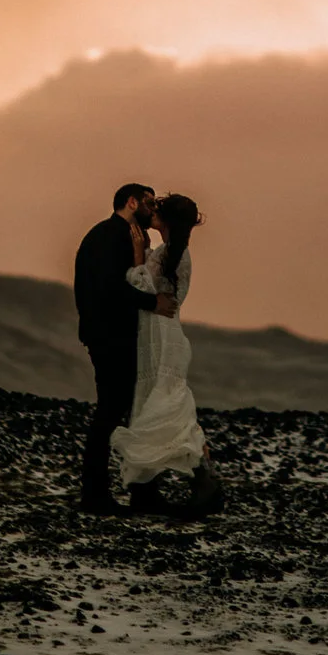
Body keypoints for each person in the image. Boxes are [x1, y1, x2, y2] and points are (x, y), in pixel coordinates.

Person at [111, 194, 224, 518]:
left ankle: (203, 482)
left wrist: (136, 256)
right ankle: (148, 488)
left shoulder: (176, 256)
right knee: (155, 402)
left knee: (164, 403)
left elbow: (145, 287)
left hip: (161, 336)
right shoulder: (167, 253)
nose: (152, 213)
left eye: (158, 210)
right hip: (157, 335)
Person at [73, 182, 170, 515]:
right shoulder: (110, 236)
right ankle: (97, 494)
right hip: (110, 337)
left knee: (126, 411)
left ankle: (130, 492)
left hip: (111, 335)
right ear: (131, 202)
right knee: (113, 412)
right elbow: (110, 287)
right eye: (148, 202)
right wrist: (151, 302)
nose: (153, 208)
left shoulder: (114, 235)